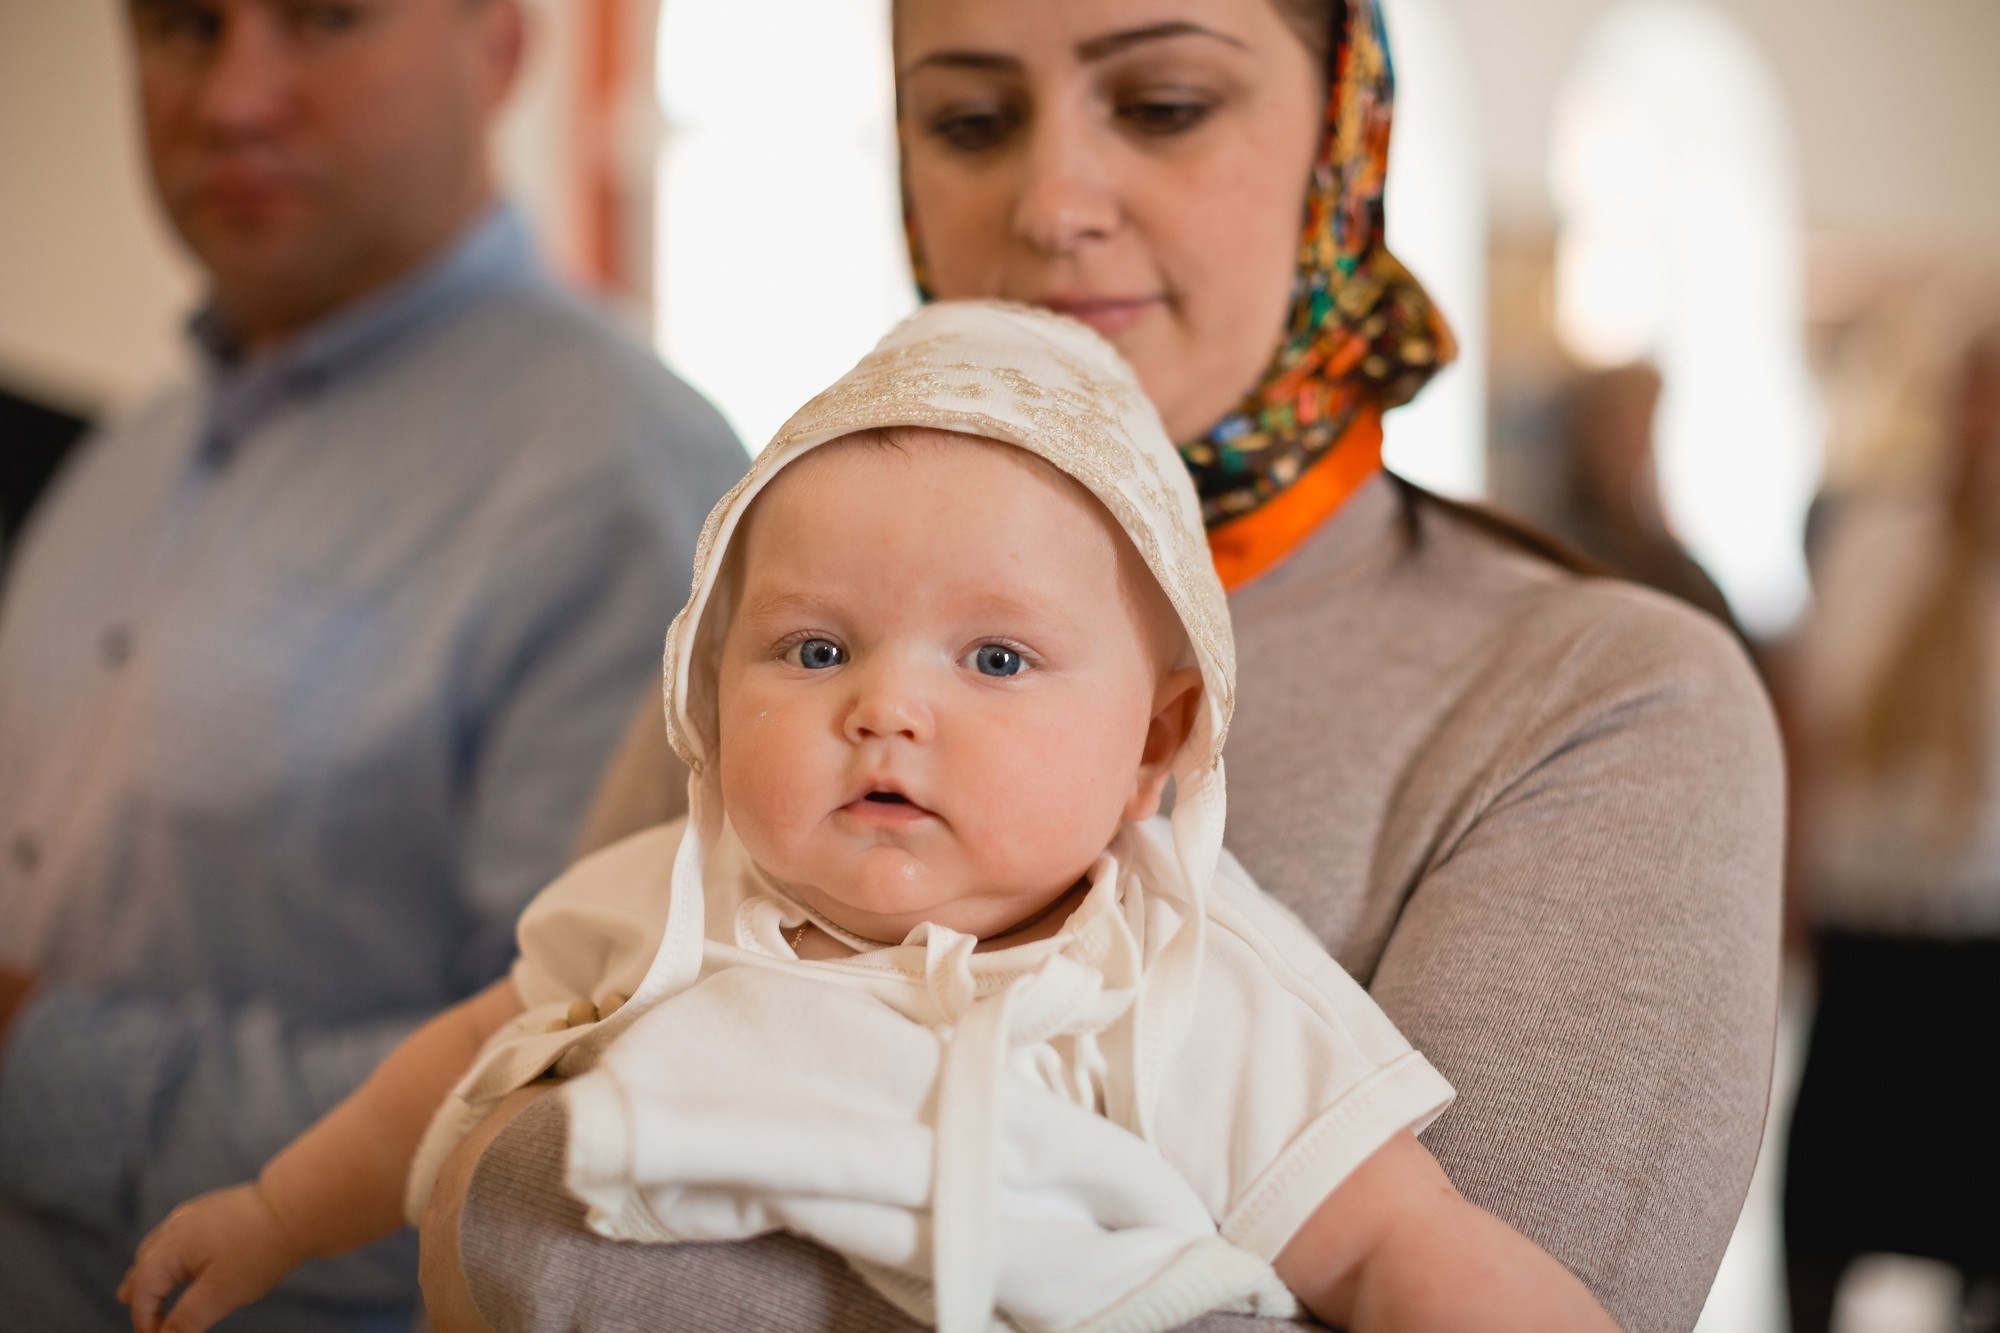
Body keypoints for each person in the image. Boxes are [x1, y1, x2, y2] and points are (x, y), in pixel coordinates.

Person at [428, 2, 1785, 1330]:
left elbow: (526, 1204)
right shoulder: (789, 613)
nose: (1053, 202)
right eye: (969, 119)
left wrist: (511, 1209)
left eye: (1164, 106)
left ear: (1346, 133)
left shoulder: (1597, 699)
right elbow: (535, 1034)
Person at [126, 302, 1617, 1333]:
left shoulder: (1180, 988)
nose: (886, 710)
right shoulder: (676, 901)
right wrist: (272, 1212)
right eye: (817, 650)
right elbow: (446, 1074)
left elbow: (1399, 1247)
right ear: (714, 686)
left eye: (997, 659)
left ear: (1155, 737)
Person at [0, 0, 743, 1327]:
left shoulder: (622, 480)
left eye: (324, 19)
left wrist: (34, 1064)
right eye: (180, 27)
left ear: (500, 49)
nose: (232, 99)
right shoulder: (128, 453)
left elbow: (571, 1099)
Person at [1783, 324, 2000, 1332]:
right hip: (1869, 930)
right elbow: (1808, 726)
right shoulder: (1876, 536)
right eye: (1975, 394)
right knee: (1822, 1213)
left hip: (1984, 938)